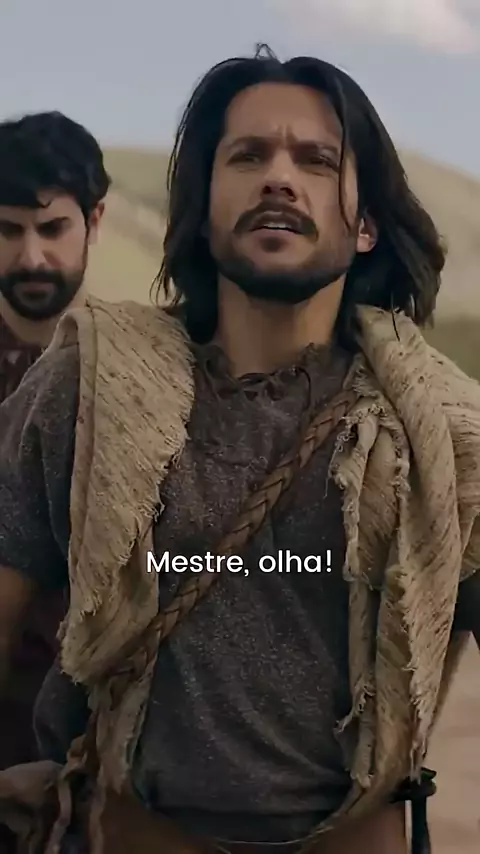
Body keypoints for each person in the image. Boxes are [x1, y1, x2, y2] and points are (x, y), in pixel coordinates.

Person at [0, 45, 479, 854]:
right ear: (203, 206)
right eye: (248, 155)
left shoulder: (442, 430)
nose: (279, 178)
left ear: (365, 223)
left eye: (316, 160)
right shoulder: (89, 387)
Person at [0, 111, 109, 788]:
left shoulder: (137, 380)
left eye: (52, 229)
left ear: (94, 220)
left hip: (95, 744)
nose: (32, 257)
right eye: (8, 230)